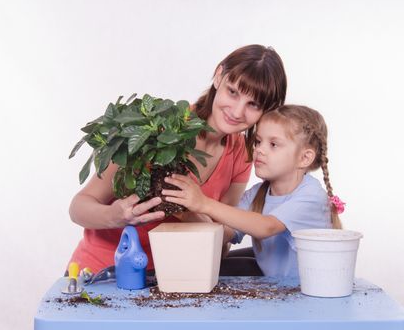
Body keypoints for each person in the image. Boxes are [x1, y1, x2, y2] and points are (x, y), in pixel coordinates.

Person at [67, 44, 287, 274]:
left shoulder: (241, 151)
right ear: (218, 76)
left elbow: (223, 234)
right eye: (233, 92)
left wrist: (196, 213)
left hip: (172, 281)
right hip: (105, 273)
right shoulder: (157, 130)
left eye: (253, 104)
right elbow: (79, 207)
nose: (238, 111)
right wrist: (116, 216)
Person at [163, 105, 344, 278]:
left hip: (309, 293)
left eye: (273, 144)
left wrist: (204, 203)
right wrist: (187, 210)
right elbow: (227, 232)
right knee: (218, 267)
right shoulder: (256, 194)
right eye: (258, 142)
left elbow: (266, 227)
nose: (259, 150)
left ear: (305, 158)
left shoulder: (311, 195)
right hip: (277, 287)